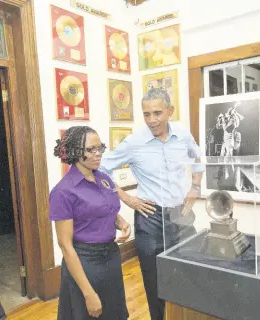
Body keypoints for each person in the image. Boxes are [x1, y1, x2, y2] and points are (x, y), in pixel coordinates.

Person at [99, 87, 204, 320]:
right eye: (146, 114)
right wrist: (128, 199)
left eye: (157, 113)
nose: (152, 120)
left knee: (191, 273)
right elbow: (101, 169)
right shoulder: (133, 142)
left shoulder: (183, 135)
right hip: (150, 219)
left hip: (181, 215)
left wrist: (195, 188)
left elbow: (198, 159)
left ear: (170, 111)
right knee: (155, 281)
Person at [49, 126, 131, 320]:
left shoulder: (103, 179)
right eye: (90, 150)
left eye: (99, 148)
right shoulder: (63, 192)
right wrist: (88, 293)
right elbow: (66, 246)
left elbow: (107, 209)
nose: (98, 154)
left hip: (110, 258)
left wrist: (122, 222)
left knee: (114, 313)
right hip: (84, 264)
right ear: (75, 153)